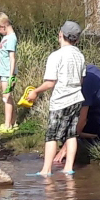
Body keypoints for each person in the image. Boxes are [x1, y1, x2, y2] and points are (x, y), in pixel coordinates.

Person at [26, 21, 86, 177]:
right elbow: (81, 81)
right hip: (77, 98)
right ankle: (68, 168)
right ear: (76, 39)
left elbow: (50, 83)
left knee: (52, 135)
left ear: (61, 34)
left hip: (61, 100)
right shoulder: (80, 55)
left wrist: (35, 92)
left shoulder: (56, 55)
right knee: (71, 135)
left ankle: (46, 170)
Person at [0, 12, 18, 134]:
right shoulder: (6, 37)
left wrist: (11, 75)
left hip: (7, 73)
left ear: (3, 26)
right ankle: (13, 122)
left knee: (6, 98)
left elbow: (12, 58)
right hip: (3, 72)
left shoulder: (11, 38)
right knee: (8, 97)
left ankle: (7, 125)